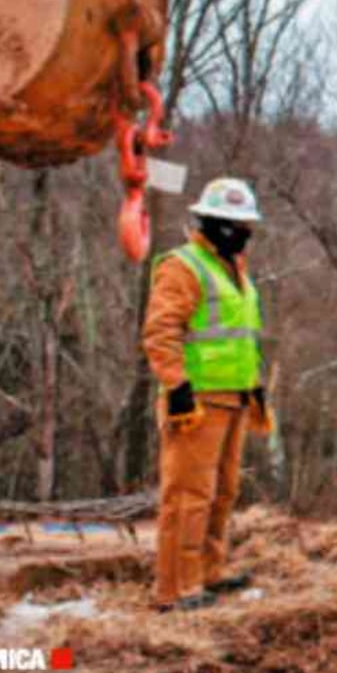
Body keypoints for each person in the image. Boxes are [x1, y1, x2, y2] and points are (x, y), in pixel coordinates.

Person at [142, 177, 275, 612]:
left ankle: (208, 572)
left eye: (245, 224)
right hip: (196, 402)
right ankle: (176, 588)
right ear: (213, 223)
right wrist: (176, 387)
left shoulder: (235, 269)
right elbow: (162, 333)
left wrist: (253, 385)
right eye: (234, 224)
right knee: (188, 497)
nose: (244, 232)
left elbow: (241, 336)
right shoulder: (183, 266)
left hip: (235, 396)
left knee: (222, 492)